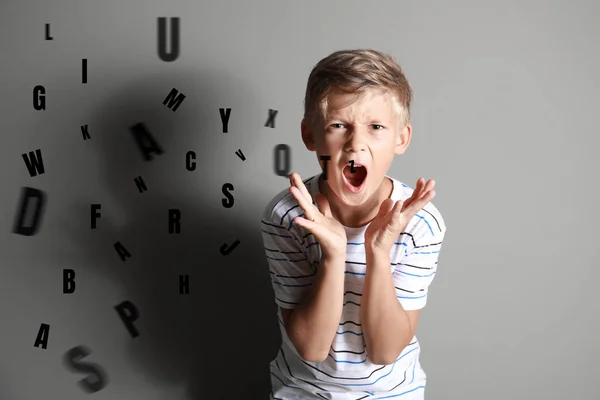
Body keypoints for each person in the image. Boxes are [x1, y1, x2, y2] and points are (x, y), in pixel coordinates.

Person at [260, 49, 447, 399]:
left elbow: (385, 351)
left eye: (375, 127)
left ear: (401, 138)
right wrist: (334, 254)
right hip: (303, 391)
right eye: (338, 125)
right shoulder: (286, 216)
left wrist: (379, 251)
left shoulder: (420, 222)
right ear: (310, 135)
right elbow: (312, 348)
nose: (355, 144)